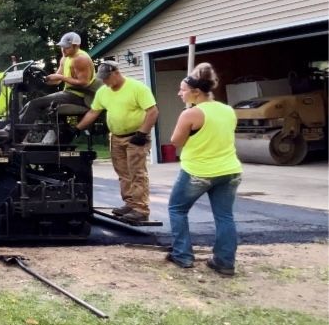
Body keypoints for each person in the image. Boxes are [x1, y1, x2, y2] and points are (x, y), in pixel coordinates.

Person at [164, 63, 242, 276]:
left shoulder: (190, 115)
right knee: (224, 216)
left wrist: (187, 119)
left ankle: (182, 255)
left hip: (198, 172)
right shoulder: (227, 110)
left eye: (183, 89)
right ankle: (225, 262)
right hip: (230, 170)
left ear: (195, 92)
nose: (179, 93)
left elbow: (176, 142)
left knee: (177, 209)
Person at [74, 61, 159, 222]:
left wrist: (142, 133)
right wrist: (77, 129)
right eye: (102, 79)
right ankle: (130, 203)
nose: (104, 82)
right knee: (123, 173)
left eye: (106, 78)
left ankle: (141, 209)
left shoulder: (137, 88)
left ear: (116, 73)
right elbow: (93, 112)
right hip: (116, 137)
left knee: (137, 173)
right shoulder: (103, 92)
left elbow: (153, 111)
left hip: (136, 137)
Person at [4, 32, 98, 144]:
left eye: (66, 47)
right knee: (31, 104)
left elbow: (84, 83)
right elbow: (56, 80)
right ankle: (10, 129)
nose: (63, 50)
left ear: (76, 46)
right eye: (62, 47)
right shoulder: (65, 58)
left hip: (80, 96)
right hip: (68, 93)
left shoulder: (81, 59)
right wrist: (42, 79)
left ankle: (15, 138)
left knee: (35, 104)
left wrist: (61, 77)